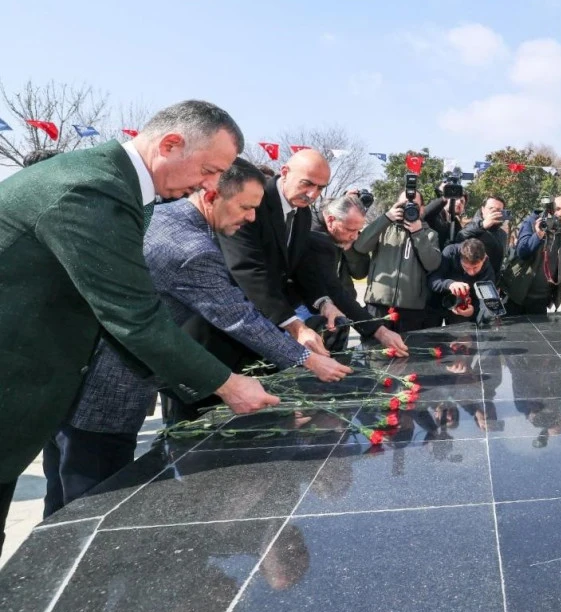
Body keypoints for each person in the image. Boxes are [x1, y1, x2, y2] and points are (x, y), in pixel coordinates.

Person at [0, 100, 279, 553]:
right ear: (170, 144)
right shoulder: (95, 189)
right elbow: (134, 315)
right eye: (209, 170)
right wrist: (228, 385)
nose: (210, 186)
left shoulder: (118, 185)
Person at [42, 159, 351, 516]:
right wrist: (308, 360)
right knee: (89, 513)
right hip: (106, 397)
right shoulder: (191, 249)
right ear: (211, 195)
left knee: (58, 507)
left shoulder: (159, 217)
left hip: (69, 383)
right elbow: (238, 316)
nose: (252, 218)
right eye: (246, 207)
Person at [218, 148, 346, 351]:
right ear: (285, 172)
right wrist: (296, 327)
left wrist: (324, 303)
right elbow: (247, 268)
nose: (313, 194)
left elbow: (301, 265)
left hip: (269, 319)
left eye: (321, 188)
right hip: (228, 318)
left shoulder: (302, 212)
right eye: (307, 183)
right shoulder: (253, 201)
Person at [308, 194, 410, 354]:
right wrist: (379, 331)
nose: (355, 237)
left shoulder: (335, 235)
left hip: (332, 306)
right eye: (350, 230)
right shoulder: (315, 237)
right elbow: (334, 289)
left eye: (358, 231)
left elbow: (357, 274)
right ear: (330, 220)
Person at [354, 189, 444, 333]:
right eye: (404, 204)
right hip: (377, 305)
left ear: (421, 209)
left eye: (414, 205)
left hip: (411, 310)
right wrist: (386, 217)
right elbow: (360, 246)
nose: (408, 207)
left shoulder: (429, 234)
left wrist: (418, 233)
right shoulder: (384, 228)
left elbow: (432, 264)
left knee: (407, 353)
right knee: (373, 353)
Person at [502, 195, 561, 315]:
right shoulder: (533, 222)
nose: (560, 214)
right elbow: (522, 252)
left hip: (541, 299)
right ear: (550, 208)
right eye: (557, 208)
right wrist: (538, 235)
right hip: (517, 294)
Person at [429, 238, 495, 325]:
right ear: (460, 257)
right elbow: (433, 280)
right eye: (466, 267)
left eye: (475, 268)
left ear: (484, 259)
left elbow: (488, 303)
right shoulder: (450, 253)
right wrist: (449, 284)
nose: (471, 272)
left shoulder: (487, 270)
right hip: (439, 304)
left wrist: (473, 311)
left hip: (465, 312)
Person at [457, 195, 507, 271]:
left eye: (499, 210)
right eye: (491, 208)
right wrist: (483, 225)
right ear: (483, 209)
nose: (494, 212)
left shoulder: (503, 234)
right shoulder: (472, 226)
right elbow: (460, 237)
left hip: (492, 280)